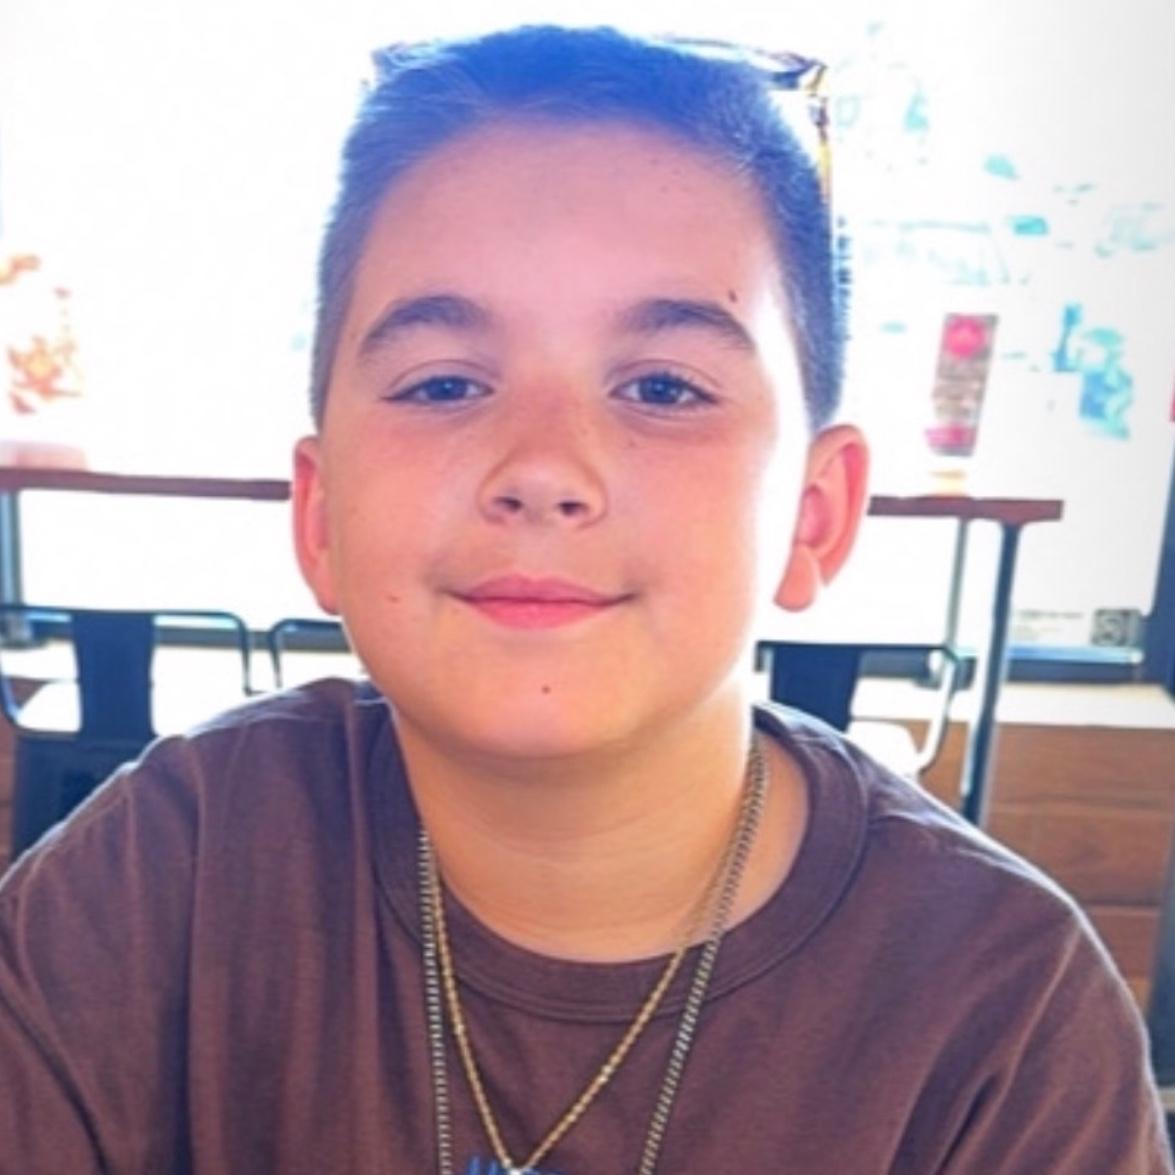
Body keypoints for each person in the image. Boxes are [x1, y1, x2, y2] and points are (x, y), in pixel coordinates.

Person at [0, 24, 1169, 1175]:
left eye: (662, 387)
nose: (543, 467)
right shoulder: (168, 874)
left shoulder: (1002, 1018)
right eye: (442, 383)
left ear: (813, 513)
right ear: (320, 513)